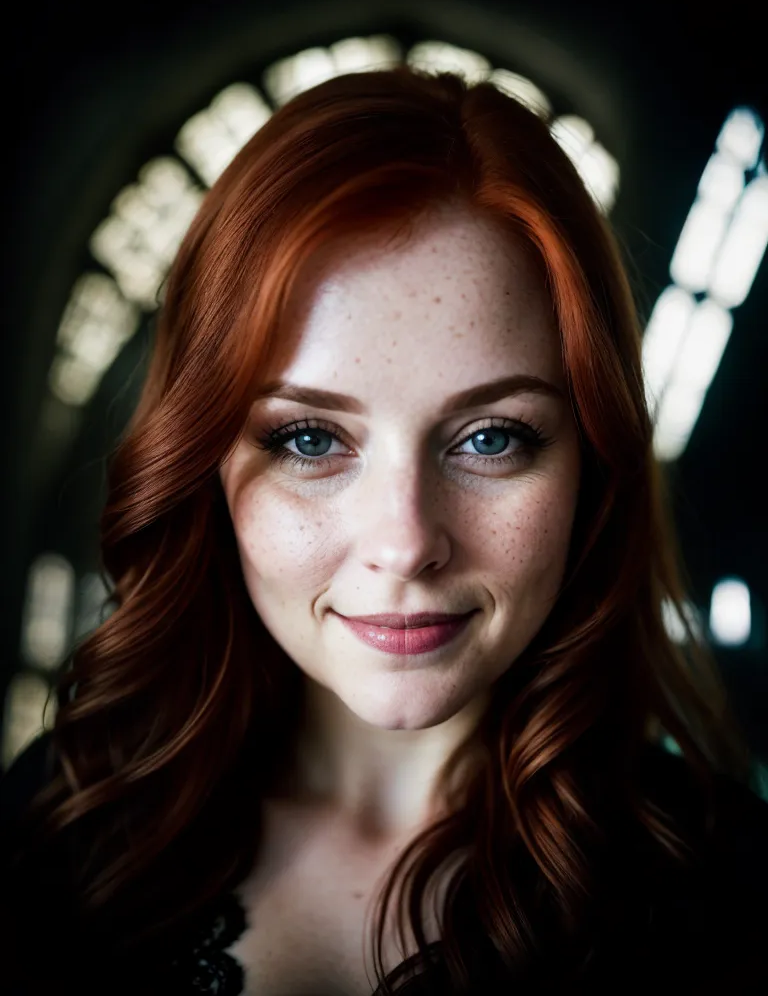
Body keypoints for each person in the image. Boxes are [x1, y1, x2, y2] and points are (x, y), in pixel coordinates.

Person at [1, 64, 767, 996]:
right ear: (203, 462)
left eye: (492, 438)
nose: (404, 544)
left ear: (590, 466)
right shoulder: (56, 829)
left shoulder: (723, 898)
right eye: (310, 438)